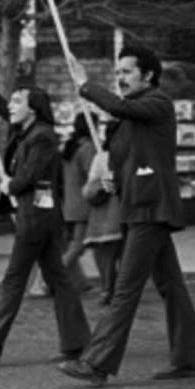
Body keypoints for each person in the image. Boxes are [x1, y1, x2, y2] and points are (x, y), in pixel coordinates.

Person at [58, 46, 195, 387]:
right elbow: (131, 155)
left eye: (126, 72)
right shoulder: (129, 118)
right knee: (171, 285)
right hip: (138, 206)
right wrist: (114, 177)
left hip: (151, 208)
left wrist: (86, 84)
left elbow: (118, 105)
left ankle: (97, 363)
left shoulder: (157, 103)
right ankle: (189, 357)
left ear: (148, 76)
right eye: (118, 72)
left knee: (124, 289)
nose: (120, 78)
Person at [0, 58, 90, 366]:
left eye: (18, 101)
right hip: (39, 216)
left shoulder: (42, 136)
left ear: (32, 108)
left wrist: (10, 185)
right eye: (13, 100)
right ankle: (77, 343)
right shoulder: (28, 129)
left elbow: (30, 176)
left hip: (37, 219)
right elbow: (1, 107)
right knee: (59, 280)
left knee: (15, 280)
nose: (12, 105)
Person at [81, 118, 123, 308]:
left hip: (101, 212)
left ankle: (108, 288)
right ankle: (116, 288)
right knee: (119, 253)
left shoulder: (100, 156)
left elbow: (89, 184)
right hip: (114, 209)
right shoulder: (105, 155)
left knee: (106, 255)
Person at [60, 112, 95, 294]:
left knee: (74, 245)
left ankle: (79, 282)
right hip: (83, 204)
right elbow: (93, 175)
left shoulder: (71, 148)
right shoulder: (87, 148)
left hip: (70, 203)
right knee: (77, 246)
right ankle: (50, 277)